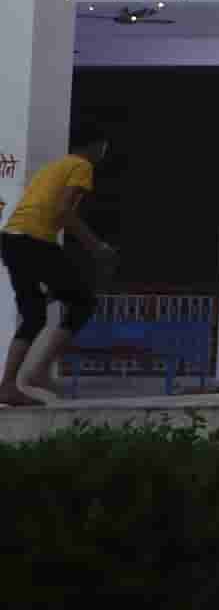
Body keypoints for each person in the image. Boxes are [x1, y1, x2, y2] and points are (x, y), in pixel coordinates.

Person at [2, 134, 112, 406]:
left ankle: (7, 385)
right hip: (35, 240)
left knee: (34, 312)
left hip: (11, 238)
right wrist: (97, 247)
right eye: (104, 148)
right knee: (83, 302)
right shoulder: (82, 165)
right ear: (96, 146)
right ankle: (38, 373)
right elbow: (64, 212)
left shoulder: (53, 167)